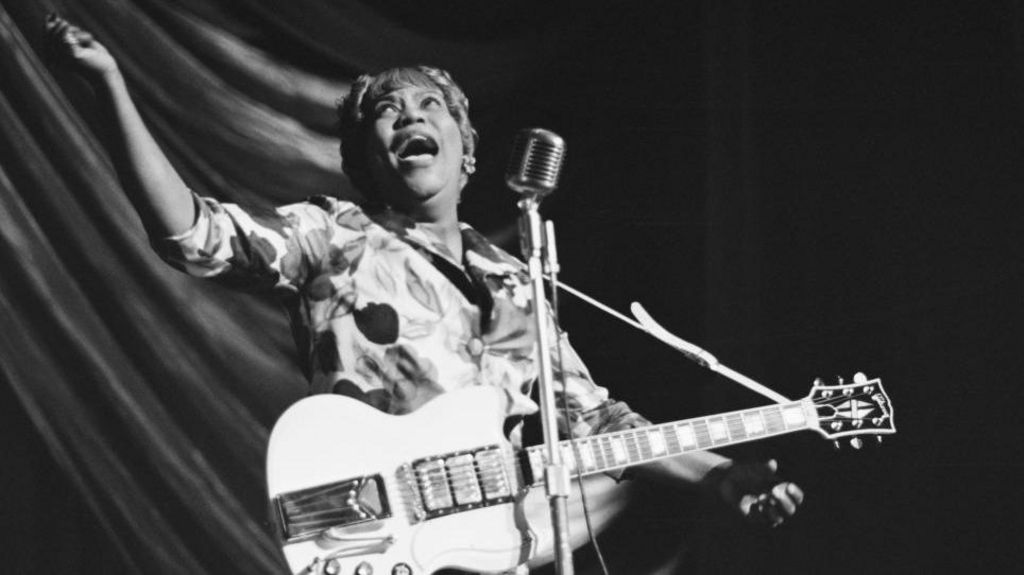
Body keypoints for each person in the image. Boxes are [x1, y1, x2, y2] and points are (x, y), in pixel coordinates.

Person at [45, 14, 803, 572]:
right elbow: (195, 236)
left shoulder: (515, 280)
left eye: (428, 106)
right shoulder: (333, 236)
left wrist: (718, 474)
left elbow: (595, 421)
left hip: (490, 545)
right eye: (387, 109)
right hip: (375, 529)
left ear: (466, 152)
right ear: (367, 158)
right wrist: (110, 86)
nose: (409, 115)